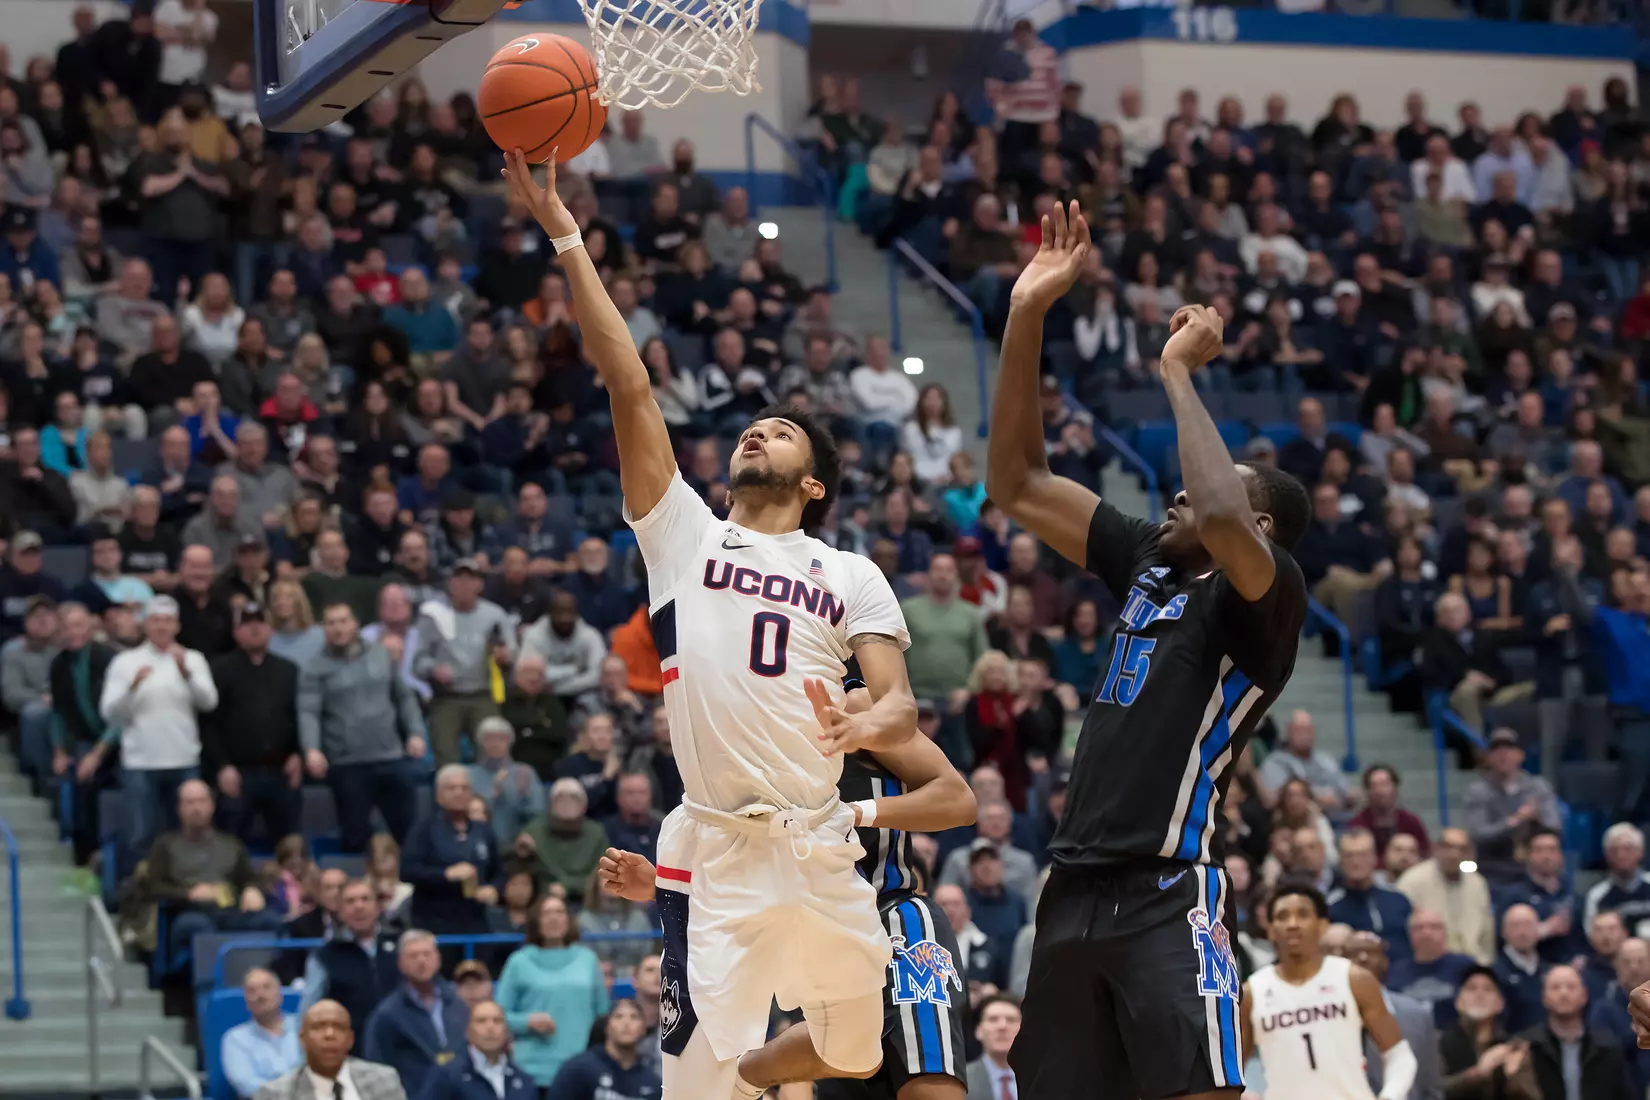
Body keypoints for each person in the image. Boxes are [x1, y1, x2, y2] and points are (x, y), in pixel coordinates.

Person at [504, 149, 919, 1098]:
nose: (754, 431)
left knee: (858, 1053)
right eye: (751, 425)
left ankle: (757, 1081)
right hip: (719, 853)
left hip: (820, 841)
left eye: (779, 431)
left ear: (813, 484)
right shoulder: (683, 533)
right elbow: (628, 383)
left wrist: (869, 724)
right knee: (689, 1087)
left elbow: (899, 705)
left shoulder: (851, 572)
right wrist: (567, 235)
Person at [984, 205, 1310, 1099]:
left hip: (1173, 892)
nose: (1175, 494)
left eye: (1207, 493)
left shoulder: (1266, 600)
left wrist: (1175, 373)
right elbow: (1013, 481)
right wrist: (1026, 314)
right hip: (1072, 885)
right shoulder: (1145, 562)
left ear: (1262, 525)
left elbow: (1217, 513)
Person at [599, 677, 978, 1099]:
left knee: (928, 1087)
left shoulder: (854, 702)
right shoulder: (730, 719)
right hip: (782, 915)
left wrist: (855, 813)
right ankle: (749, 1075)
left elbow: (959, 801)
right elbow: (727, 839)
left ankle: (748, 1077)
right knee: (852, 1055)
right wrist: (662, 886)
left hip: (883, 904)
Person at [1242, 883, 1413, 1100]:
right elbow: (1232, 1071)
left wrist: (1390, 1095)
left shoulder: (1353, 979)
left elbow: (1399, 1055)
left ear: (1322, 925)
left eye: (1302, 915)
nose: (1292, 924)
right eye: (1282, 917)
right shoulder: (1252, 992)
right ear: (1271, 930)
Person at [299, 601, 428, 853]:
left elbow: (403, 697)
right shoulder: (314, 669)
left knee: (409, 833)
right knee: (355, 836)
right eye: (331, 623)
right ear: (323, 629)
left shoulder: (382, 654)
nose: (338, 628)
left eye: (343, 621)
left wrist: (416, 732)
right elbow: (308, 713)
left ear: (355, 624)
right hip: (347, 763)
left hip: (391, 756)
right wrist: (311, 749)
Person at [100, 593, 219, 862]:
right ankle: (140, 900)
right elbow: (109, 713)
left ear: (177, 625)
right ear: (145, 624)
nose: (162, 627)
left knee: (188, 835)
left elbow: (209, 702)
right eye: (156, 620)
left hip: (183, 759)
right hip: (140, 762)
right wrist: (132, 687)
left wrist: (186, 673)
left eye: (168, 621)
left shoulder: (193, 659)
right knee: (141, 836)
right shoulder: (125, 662)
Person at [144, 779, 282, 962]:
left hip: (230, 911)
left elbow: (249, 878)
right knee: (198, 925)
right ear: (179, 808)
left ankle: (269, 979)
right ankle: (210, 986)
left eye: (201, 801)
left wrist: (252, 889)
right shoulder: (165, 845)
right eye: (189, 802)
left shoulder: (230, 844)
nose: (196, 808)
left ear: (211, 805)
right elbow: (151, 887)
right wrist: (189, 893)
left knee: (270, 920)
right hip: (189, 912)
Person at [202, 601, 302, 843]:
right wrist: (222, 766)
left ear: (271, 630)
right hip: (237, 774)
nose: (254, 629)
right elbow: (207, 724)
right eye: (246, 624)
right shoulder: (218, 670)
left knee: (290, 846)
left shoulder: (289, 670)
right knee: (230, 844)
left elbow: (302, 716)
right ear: (236, 632)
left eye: (260, 623)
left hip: (282, 773)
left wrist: (298, 754)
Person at [494, 894, 609, 1088]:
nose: (553, 918)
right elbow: (498, 1016)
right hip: (532, 1071)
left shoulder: (587, 959)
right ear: (536, 921)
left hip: (580, 1070)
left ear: (568, 919)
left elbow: (603, 1016)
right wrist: (527, 1021)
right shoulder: (518, 962)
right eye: (546, 913)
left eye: (559, 912)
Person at [361, 929, 470, 1096]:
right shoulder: (387, 1014)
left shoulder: (459, 1003)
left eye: (427, 954)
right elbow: (376, 1066)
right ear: (400, 963)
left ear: (438, 959)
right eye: (413, 956)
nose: (421, 961)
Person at [1342, 931, 1445, 1100]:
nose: (1362, 958)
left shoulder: (1417, 1014)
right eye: (1353, 953)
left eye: (1371, 952)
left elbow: (1430, 1088)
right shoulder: (1327, 1013)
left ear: (1385, 962)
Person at [401, 765, 500, 937]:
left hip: (476, 920)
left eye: (464, 788)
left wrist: (494, 888)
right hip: (434, 922)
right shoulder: (424, 829)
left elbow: (499, 871)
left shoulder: (483, 831)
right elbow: (407, 872)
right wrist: (445, 874)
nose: (459, 792)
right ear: (439, 794)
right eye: (451, 788)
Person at [298, 879, 406, 1034]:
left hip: (402, 1045)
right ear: (340, 911)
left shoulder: (403, 945)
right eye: (350, 901)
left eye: (365, 899)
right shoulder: (324, 957)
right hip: (350, 1050)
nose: (359, 906)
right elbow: (308, 1010)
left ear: (377, 907)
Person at [252, 998, 409, 1100]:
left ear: (350, 1039)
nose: (329, 1034)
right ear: (302, 1038)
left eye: (338, 1027)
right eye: (318, 1027)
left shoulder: (384, 1080)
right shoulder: (274, 1095)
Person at [1461, 729, 1561, 885]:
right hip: (1493, 867)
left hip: (1533, 866)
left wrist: (1537, 818)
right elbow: (1479, 834)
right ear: (1487, 758)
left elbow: (1554, 826)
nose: (1503, 755)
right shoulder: (1478, 791)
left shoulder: (1537, 786)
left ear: (1520, 755)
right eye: (1496, 751)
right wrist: (1514, 821)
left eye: (1508, 750)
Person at [1521, 965, 1632, 1100]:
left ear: (1584, 995)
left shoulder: (1607, 1048)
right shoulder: (1529, 1048)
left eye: (1571, 987)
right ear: (1544, 997)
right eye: (1555, 987)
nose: (1563, 993)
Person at [1397, 828, 1496, 964]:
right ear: (1435, 849)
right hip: (1429, 964)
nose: (1454, 854)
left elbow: (1487, 931)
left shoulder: (1478, 883)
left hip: (1473, 962)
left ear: (1469, 854)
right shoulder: (1412, 881)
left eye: (1461, 849)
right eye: (1448, 847)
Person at [408, 999, 536, 1100]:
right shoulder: (447, 1076)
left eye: (497, 1021)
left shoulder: (525, 1081)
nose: (490, 1027)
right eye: (481, 1021)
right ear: (468, 1031)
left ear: (506, 1032)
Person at [547, 997, 662, 1100]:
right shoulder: (578, 1069)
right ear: (607, 1026)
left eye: (634, 1017)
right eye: (618, 1016)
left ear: (643, 1029)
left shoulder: (652, 1079)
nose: (626, 1023)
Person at [221, 967, 302, 1099]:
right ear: (246, 1001)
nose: (260, 995)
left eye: (266, 987)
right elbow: (246, 1085)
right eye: (252, 991)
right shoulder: (235, 1038)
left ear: (280, 994)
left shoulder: (305, 1027)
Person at [965, 994, 1022, 1100]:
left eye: (1011, 1020)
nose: (1002, 1026)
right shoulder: (962, 1081)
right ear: (978, 1031)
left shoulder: (1044, 1080)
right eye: (993, 1019)